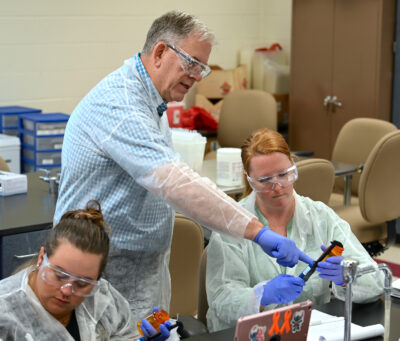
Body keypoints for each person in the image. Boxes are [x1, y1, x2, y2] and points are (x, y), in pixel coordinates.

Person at [53, 10, 313, 325]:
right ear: (161, 52)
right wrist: (258, 232)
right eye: (192, 63)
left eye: (203, 68)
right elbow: (176, 184)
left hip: (138, 273)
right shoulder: (121, 104)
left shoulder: (154, 103)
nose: (198, 76)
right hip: (100, 277)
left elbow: (170, 189)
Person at [205, 128, 384, 332]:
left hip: (312, 332)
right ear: (249, 179)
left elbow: (376, 281)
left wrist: (347, 276)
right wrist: (260, 297)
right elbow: (221, 300)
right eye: (265, 180)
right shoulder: (233, 224)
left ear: (293, 166)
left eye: (284, 175)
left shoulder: (320, 217)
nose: (278, 187)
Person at [0, 200, 172, 341]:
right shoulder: (5, 313)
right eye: (59, 275)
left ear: (97, 280)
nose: (67, 290)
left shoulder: (104, 300)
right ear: (41, 257)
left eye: (82, 283)